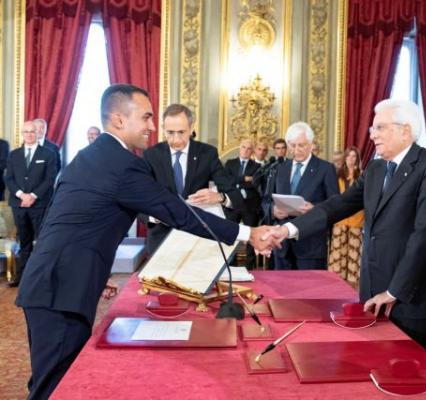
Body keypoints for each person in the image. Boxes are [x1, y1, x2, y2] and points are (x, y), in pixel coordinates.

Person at [15, 84, 275, 399]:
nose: (152, 127)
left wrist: (95, 269)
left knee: (50, 378)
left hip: (54, 281)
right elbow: (178, 212)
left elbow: (67, 222)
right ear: (118, 119)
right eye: (146, 117)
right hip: (61, 290)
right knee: (54, 386)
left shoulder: (92, 156)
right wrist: (248, 233)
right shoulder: (122, 163)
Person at [266, 100, 426, 352]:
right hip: (372, 292)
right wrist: (288, 229)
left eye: (379, 127)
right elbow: (338, 205)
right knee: (371, 361)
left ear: (405, 130)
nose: (372, 135)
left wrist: (394, 291)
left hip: (409, 295)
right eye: (373, 128)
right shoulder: (375, 168)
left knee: (409, 367)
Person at [143, 103, 243, 255]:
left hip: (197, 239)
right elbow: (138, 197)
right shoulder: (151, 155)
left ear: (191, 128)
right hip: (161, 238)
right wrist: (154, 216)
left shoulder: (207, 153)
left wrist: (220, 197)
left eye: (181, 132)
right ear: (163, 129)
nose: (176, 139)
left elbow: (235, 195)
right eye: (170, 132)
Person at [271, 121, 339, 270]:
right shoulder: (280, 168)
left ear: (311, 144)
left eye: (301, 145)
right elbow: (265, 200)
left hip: (310, 246)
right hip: (282, 246)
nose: (296, 150)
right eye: (292, 145)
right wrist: (273, 210)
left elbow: (335, 206)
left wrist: (314, 209)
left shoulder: (326, 168)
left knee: (309, 286)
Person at [5, 121, 57, 286]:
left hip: (40, 204)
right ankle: (22, 278)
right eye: (26, 132)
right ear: (22, 134)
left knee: (42, 242)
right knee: (24, 241)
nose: (29, 135)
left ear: (37, 133)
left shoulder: (48, 154)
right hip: (19, 204)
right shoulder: (13, 155)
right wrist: (22, 195)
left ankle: (41, 279)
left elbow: (50, 179)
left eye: (32, 131)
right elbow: (9, 178)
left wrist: (33, 196)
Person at [327, 146, 364, 287]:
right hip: (340, 218)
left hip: (357, 218)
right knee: (338, 250)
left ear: (357, 159)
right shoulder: (338, 175)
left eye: (354, 156)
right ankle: (336, 281)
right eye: (348, 156)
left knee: (353, 252)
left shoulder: (362, 175)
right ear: (345, 158)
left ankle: (352, 283)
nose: (351, 159)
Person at [224, 138, 262, 268]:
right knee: (230, 234)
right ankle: (231, 265)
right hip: (232, 205)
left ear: (252, 151)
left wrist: (237, 181)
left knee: (251, 236)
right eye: (243, 147)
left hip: (250, 206)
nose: (245, 150)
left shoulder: (257, 166)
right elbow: (226, 181)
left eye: (249, 148)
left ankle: (249, 267)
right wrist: (244, 178)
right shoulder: (230, 163)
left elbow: (255, 184)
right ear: (239, 148)